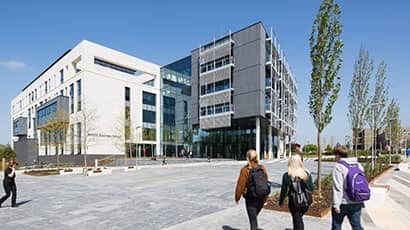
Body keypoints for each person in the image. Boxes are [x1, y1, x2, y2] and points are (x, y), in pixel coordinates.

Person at [332, 145, 365, 230]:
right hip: (357, 200)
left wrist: (336, 205)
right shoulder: (358, 165)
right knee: (357, 226)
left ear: (338, 155)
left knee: (337, 225)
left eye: (335, 155)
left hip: (343, 203)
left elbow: (337, 187)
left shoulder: (338, 167)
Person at [235, 149, 270, 230]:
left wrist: (237, 197)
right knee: (254, 217)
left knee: (253, 220)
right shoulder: (262, 168)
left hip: (250, 199)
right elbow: (266, 182)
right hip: (261, 198)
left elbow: (240, 185)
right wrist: (265, 198)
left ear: (248, 158)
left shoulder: (245, 170)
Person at [279, 155, 314, 230]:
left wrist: (281, 202)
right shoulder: (306, 174)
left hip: (294, 203)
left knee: (297, 220)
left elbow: (284, 191)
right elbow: (312, 188)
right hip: (305, 202)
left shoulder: (287, 175)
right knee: (298, 219)